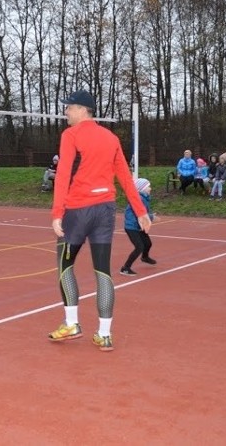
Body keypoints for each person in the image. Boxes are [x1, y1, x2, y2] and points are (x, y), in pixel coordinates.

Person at [48, 90, 151, 352]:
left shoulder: (70, 135)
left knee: (65, 266)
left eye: (69, 108)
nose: (66, 112)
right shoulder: (111, 137)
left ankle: (72, 324)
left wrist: (57, 212)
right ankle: (104, 334)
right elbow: (125, 178)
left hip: (78, 210)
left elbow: (62, 175)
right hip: (105, 210)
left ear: (83, 110)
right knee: (102, 271)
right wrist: (140, 211)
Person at [120, 177, 157, 276]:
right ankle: (125, 268)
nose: (150, 188)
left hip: (139, 225)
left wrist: (149, 216)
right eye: (148, 187)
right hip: (131, 227)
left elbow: (143, 212)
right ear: (142, 189)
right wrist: (152, 217)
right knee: (139, 247)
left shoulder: (143, 198)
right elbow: (139, 213)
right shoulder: (138, 199)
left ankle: (144, 257)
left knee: (148, 243)